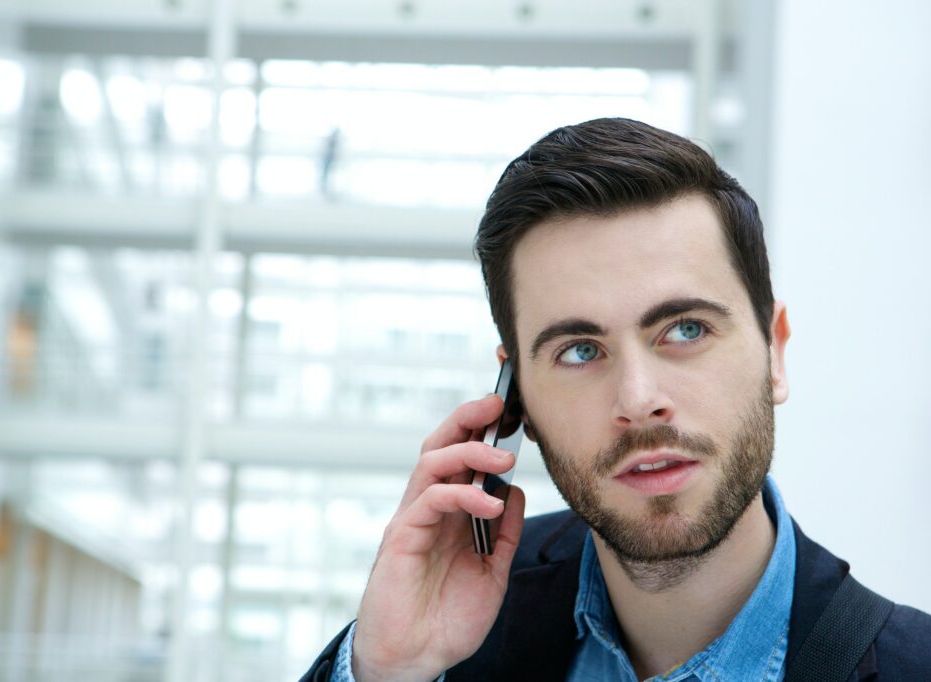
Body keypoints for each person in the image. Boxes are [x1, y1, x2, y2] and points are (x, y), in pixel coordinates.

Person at [303, 118, 931, 681]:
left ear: (773, 354)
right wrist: (389, 673)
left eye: (686, 329)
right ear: (516, 399)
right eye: (579, 350)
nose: (638, 400)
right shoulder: (450, 638)